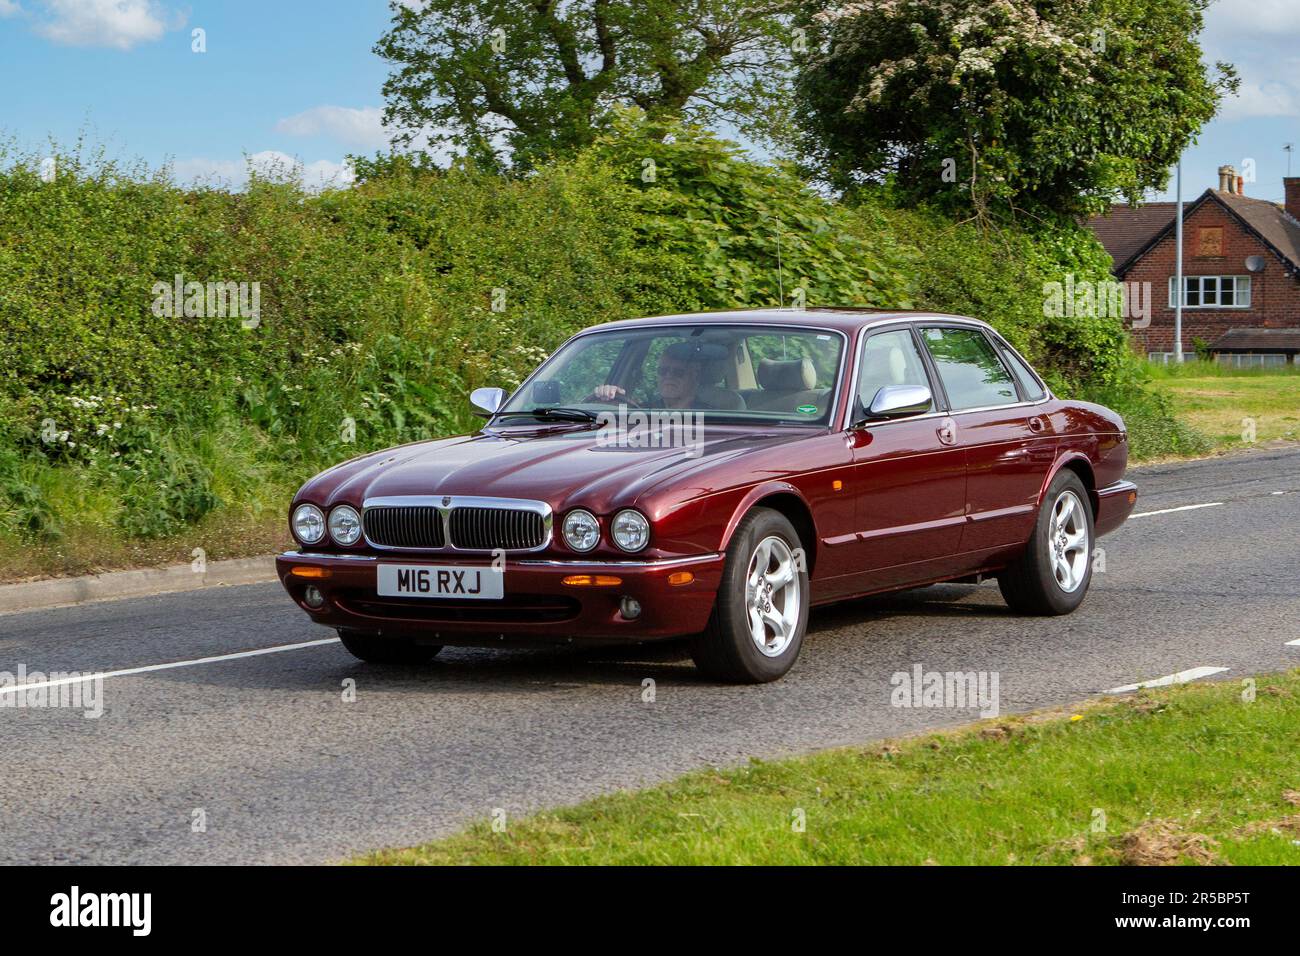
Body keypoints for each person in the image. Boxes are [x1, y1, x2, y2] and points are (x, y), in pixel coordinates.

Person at [592, 341, 717, 409]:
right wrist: (608, 397)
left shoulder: (710, 415)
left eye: (678, 372)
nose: (668, 376)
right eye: (662, 371)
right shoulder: (644, 409)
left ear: (694, 376)